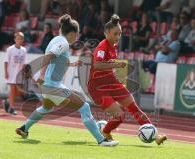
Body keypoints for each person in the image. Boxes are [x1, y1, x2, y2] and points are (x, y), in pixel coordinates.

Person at [15, 14, 119, 147]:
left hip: (47, 86)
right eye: (77, 34)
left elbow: (56, 59)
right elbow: (49, 56)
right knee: (84, 106)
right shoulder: (63, 43)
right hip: (52, 86)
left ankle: (24, 128)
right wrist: (41, 74)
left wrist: (72, 64)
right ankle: (101, 140)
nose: (77, 37)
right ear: (72, 33)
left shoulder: (56, 39)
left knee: (46, 108)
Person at [87, 14, 167, 145]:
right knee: (120, 115)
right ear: (106, 33)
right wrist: (116, 65)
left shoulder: (113, 45)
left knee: (134, 107)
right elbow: (97, 65)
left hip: (111, 83)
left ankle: (155, 136)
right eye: (115, 34)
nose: (118, 37)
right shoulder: (102, 46)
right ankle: (105, 132)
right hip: (98, 88)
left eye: (119, 34)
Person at [2, 32, 27, 115]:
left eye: (21, 38)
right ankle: (11, 108)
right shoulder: (10, 49)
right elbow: (6, 61)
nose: (19, 40)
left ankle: (7, 101)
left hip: (19, 74)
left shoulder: (24, 50)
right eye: (18, 38)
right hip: (12, 72)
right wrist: (6, 72)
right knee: (12, 90)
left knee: (19, 92)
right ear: (15, 39)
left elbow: (24, 63)